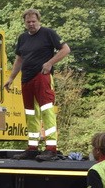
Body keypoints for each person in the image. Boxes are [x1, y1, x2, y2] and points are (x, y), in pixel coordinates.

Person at [4, 9, 71, 161]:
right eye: (28, 22)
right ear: (25, 23)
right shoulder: (22, 38)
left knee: (47, 111)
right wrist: (11, 78)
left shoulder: (48, 33)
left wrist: (50, 63)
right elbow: (19, 59)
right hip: (26, 79)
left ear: (38, 20)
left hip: (42, 76)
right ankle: (32, 148)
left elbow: (65, 49)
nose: (31, 24)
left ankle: (51, 148)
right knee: (30, 113)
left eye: (34, 21)